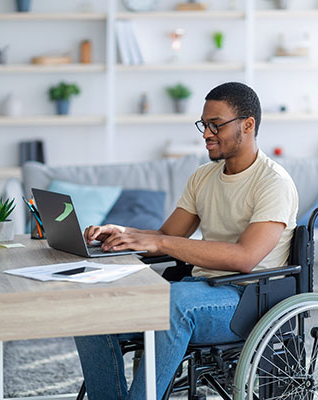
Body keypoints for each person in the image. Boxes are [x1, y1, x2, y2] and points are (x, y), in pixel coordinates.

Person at [74, 82, 299, 400]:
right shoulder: (203, 177)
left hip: (247, 299)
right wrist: (123, 233)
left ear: (248, 125)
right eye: (204, 125)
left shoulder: (273, 183)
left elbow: (244, 258)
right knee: (93, 312)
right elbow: (168, 235)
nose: (206, 133)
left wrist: (161, 245)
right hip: (202, 289)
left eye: (215, 125)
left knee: (173, 302)